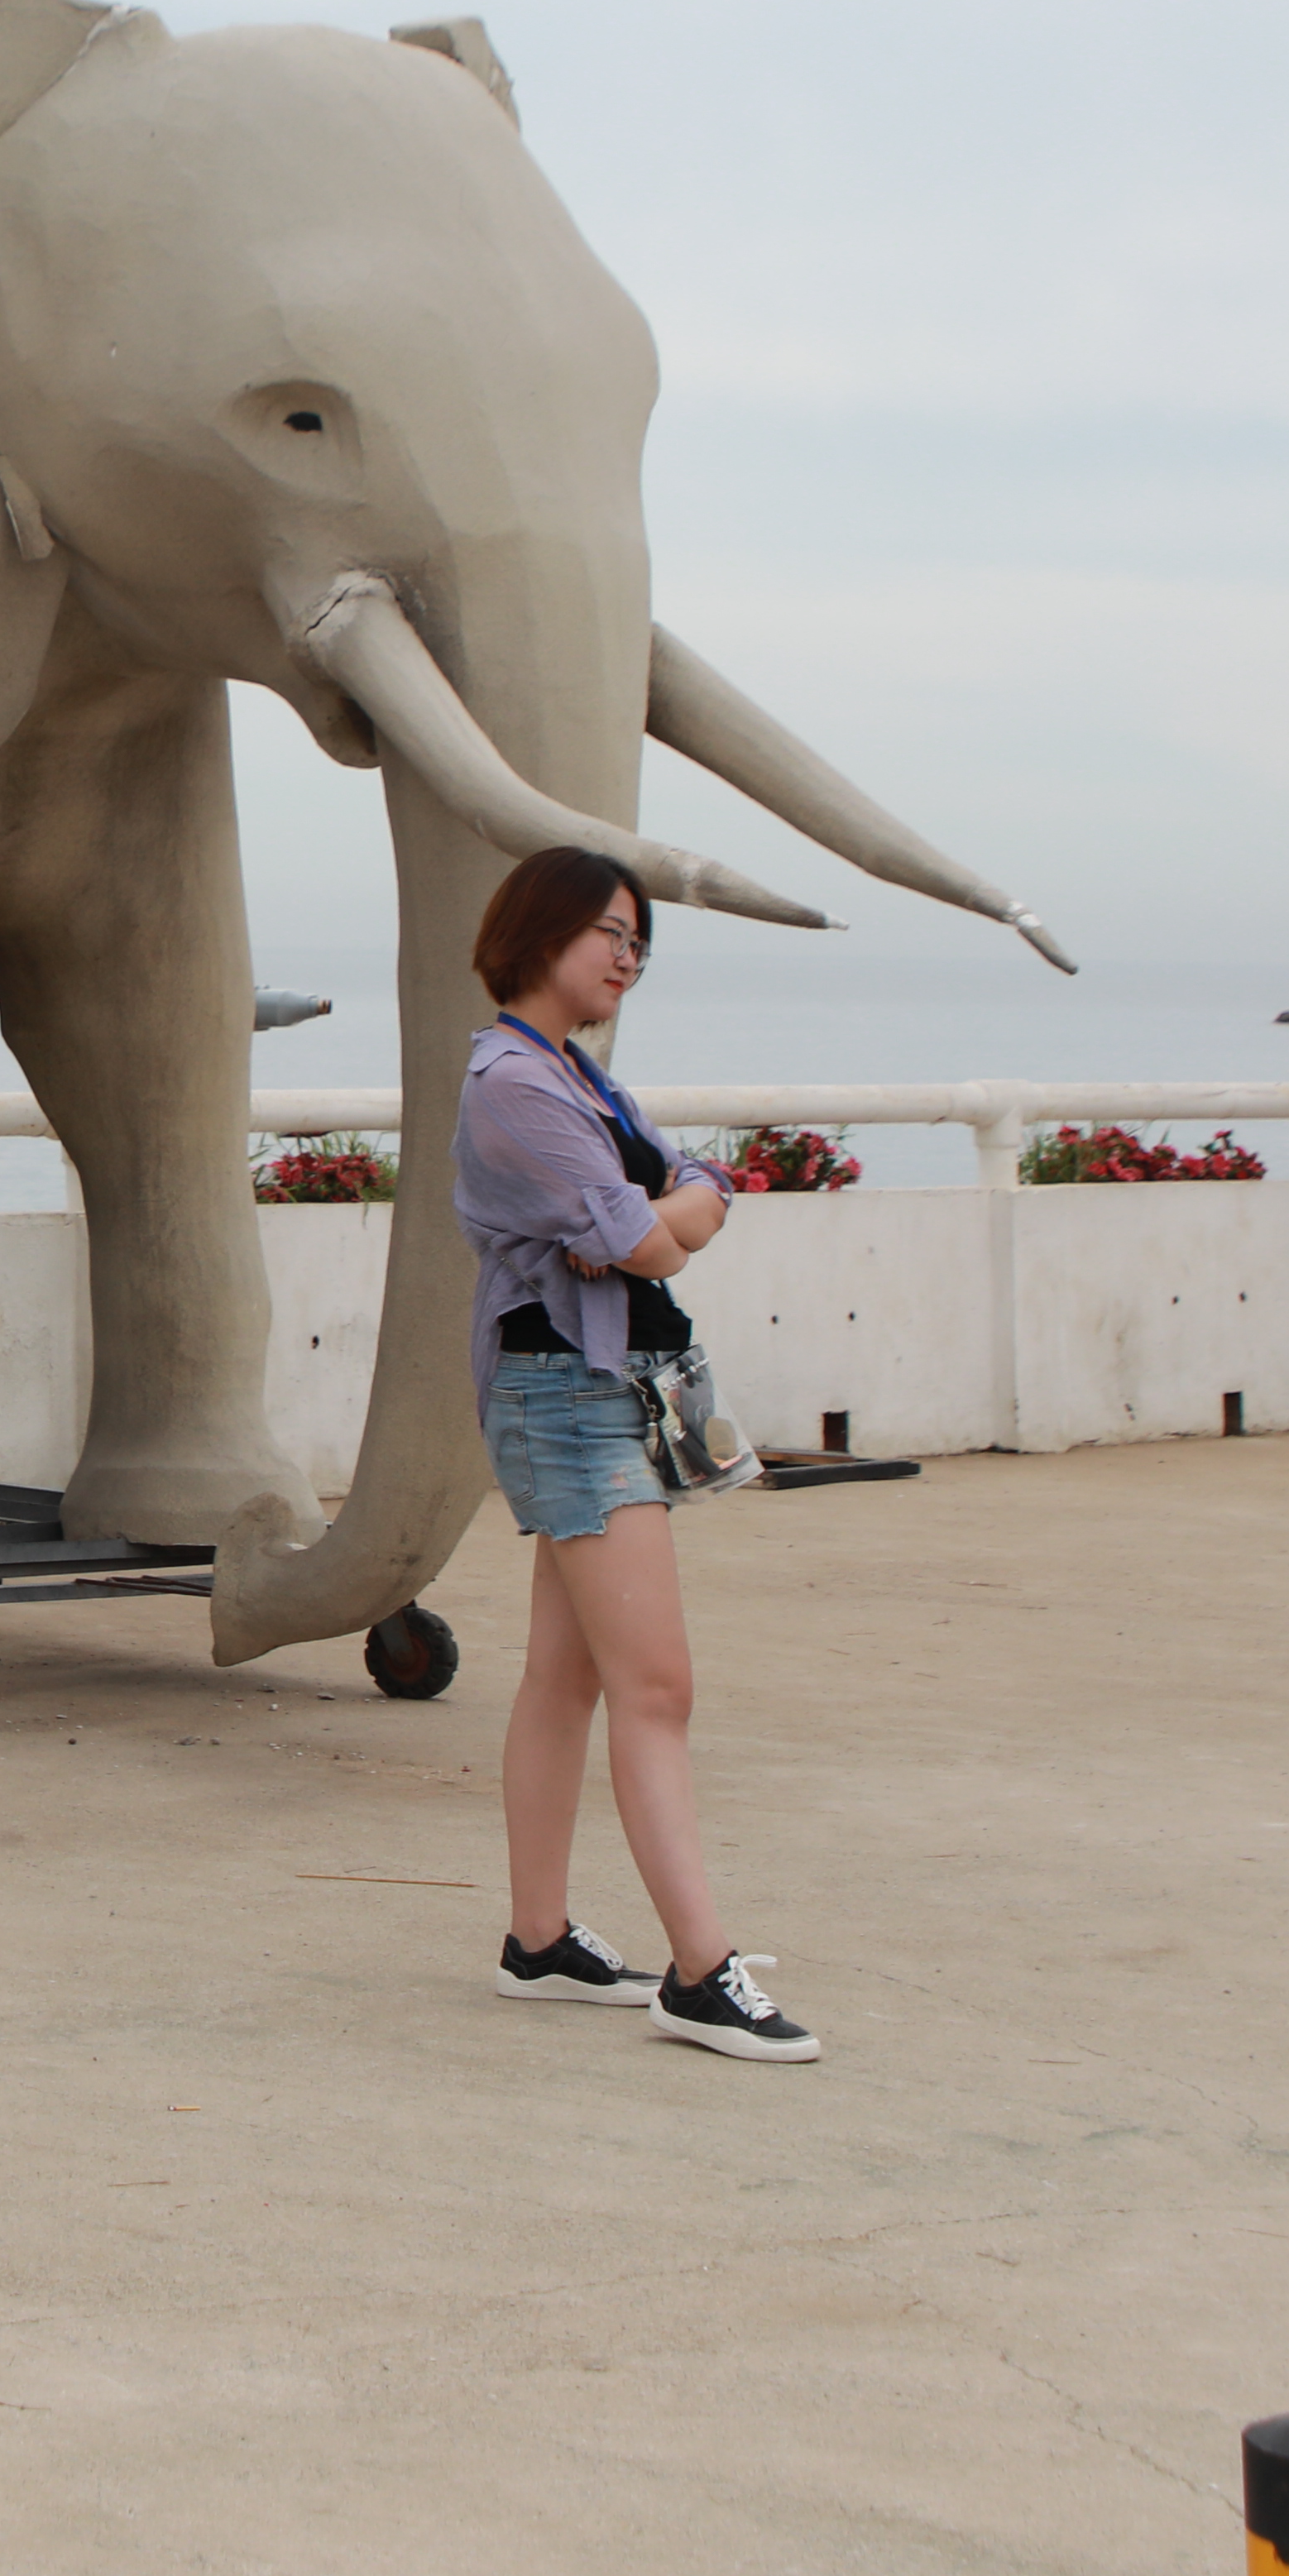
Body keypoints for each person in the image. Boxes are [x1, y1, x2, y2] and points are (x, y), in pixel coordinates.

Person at [452, 844, 819, 2064]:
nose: (628, 956)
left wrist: (659, 1215)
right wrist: (662, 1219)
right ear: (539, 932)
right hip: (565, 1396)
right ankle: (701, 1974)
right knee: (656, 1687)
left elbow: (691, 1189)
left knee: (568, 1679)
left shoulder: (572, 1071)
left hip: (592, 1386)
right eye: (609, 932)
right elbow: (657, 1236)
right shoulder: (515, 1083)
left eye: (639, 940)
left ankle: (538, 1940)